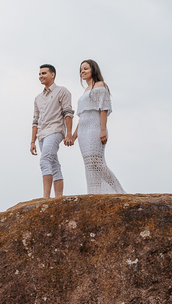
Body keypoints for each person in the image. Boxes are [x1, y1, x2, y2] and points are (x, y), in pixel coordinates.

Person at [76, 59, 125, 194]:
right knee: (89, 164)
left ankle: (118, 191)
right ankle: (94, 193)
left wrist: (102, 130)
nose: (82, 72)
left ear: (93, 69)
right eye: (81, 70)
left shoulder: (100, 85)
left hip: (95, 127)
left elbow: (103, 109)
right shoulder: (85, 90)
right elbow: (81, 115)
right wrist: (74, 135)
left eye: (85, 68)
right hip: (83, 131)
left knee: (97, 162)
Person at [30, 64, 74, 199]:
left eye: (43, 73)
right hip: (42, 135)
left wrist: (69, 134)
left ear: (52, 75)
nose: (40, 76)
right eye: (39, 74)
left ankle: (46, 198)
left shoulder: (62, 91)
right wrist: (32, 141)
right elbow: (35, 120)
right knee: (54, 163)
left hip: (55, 130)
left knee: (45, 160)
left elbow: (68, 113)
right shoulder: (38, 98)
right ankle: (59, 198)